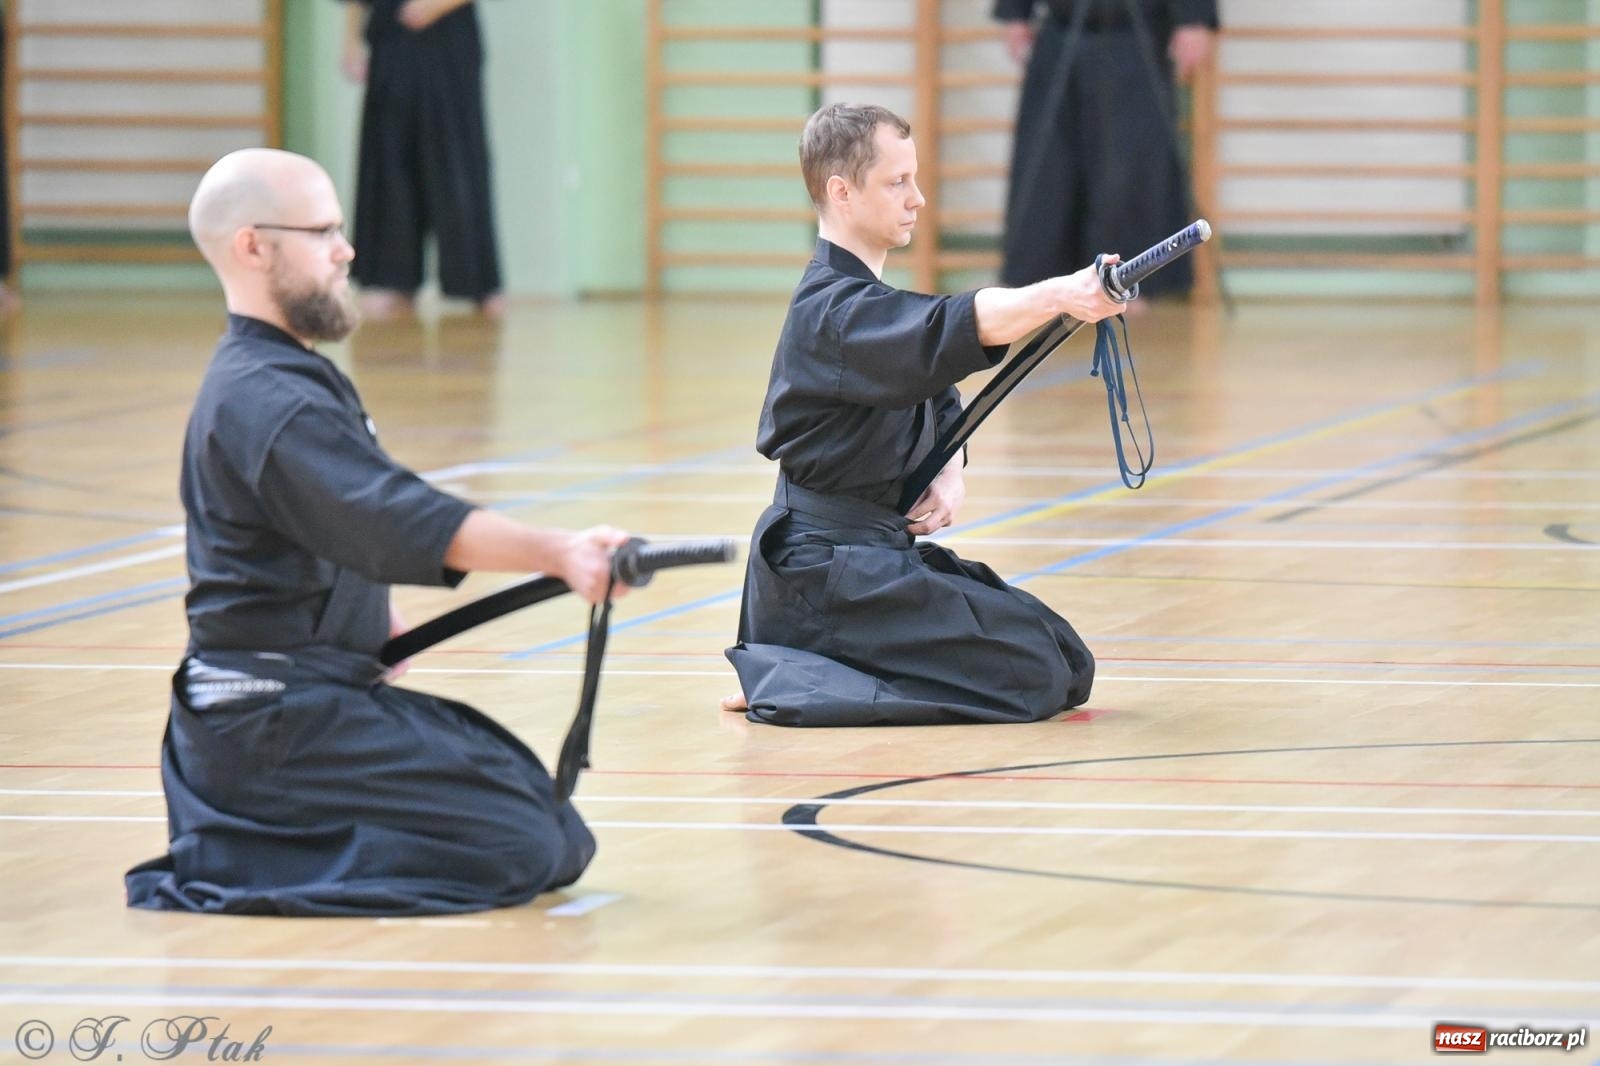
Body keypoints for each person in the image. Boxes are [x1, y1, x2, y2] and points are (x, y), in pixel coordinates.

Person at [125, 148, 625, 916]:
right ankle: (250, 848)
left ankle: (266, 838)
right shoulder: (266, 397)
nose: (345, 250)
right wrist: (558, 552)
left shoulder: (288, 375)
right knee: (528, 845)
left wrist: (360, 608)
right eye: (322, 231)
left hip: (304, 700)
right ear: (252, 246)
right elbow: (393, 515)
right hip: (264, 724)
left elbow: (330, 523)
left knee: (545, 823)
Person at [721, 104, 1126, 727]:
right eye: (897, 182)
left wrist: (950, 470)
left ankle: (804, 658)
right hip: (822, 572)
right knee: (1033, 677)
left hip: (873, 555)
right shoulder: (830, 310)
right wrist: (1059, 294)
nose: (919, 199)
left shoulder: (867, 303)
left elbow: (931, 380)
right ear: (842, 192)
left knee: (1067, 660)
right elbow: (942, 329)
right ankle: (800, 665)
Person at [995, 0, 1217, 299]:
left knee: (1129, 165)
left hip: (1136, 32)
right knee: (1047, 160)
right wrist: (1015, 11)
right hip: (1060, 26)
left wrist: (1193, 17)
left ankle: (1128, 284)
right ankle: (1034, 281)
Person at [340, 0, 503, 319]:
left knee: (458, 160)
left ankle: (479, 283)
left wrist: (438, 5)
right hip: (391, 35)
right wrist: (350, 42)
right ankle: (390, 278)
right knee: (389, 157)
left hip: (449, 38)